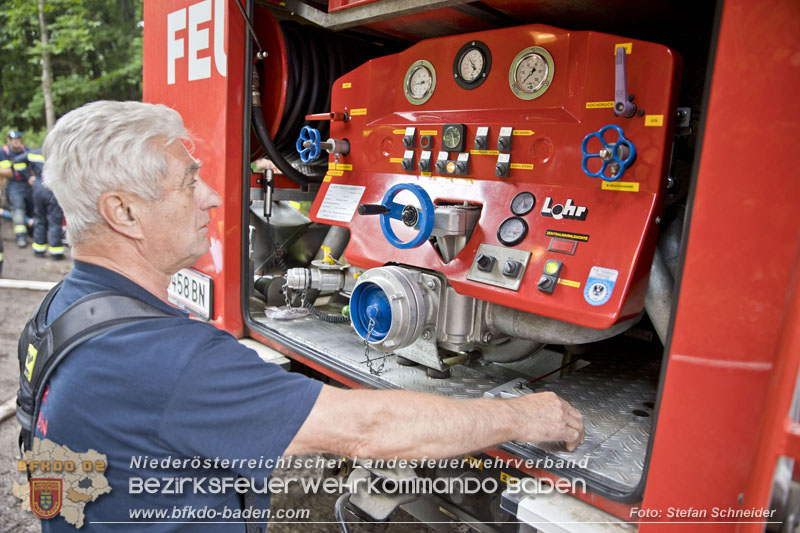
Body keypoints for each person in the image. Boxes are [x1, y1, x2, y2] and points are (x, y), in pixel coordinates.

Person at [32, 101, 584, 531]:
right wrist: (522, 417)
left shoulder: (60, 312)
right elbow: (369, 430)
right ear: (123, 212)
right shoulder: (169, 361)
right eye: (186, 181)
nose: (211, 198)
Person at [13, 148, 65, 259]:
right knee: (55, 221)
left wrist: (27, 177)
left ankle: (39, 249)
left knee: (39, 219)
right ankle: (55, 252)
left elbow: (17, 161)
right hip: (53, 189)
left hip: (38, 188)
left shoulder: (35, 152)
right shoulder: (59, 152)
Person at [3, 130, 35, 247]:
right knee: (18, 210)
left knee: (31, 209)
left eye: (18, 139)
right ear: (9, 141)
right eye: (14, 140)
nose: (16, 142)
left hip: (28, 184)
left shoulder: (27, 150)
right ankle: (21, 237)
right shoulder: (4, 152)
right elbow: (7, 172)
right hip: (14, 185)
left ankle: (33, 233)